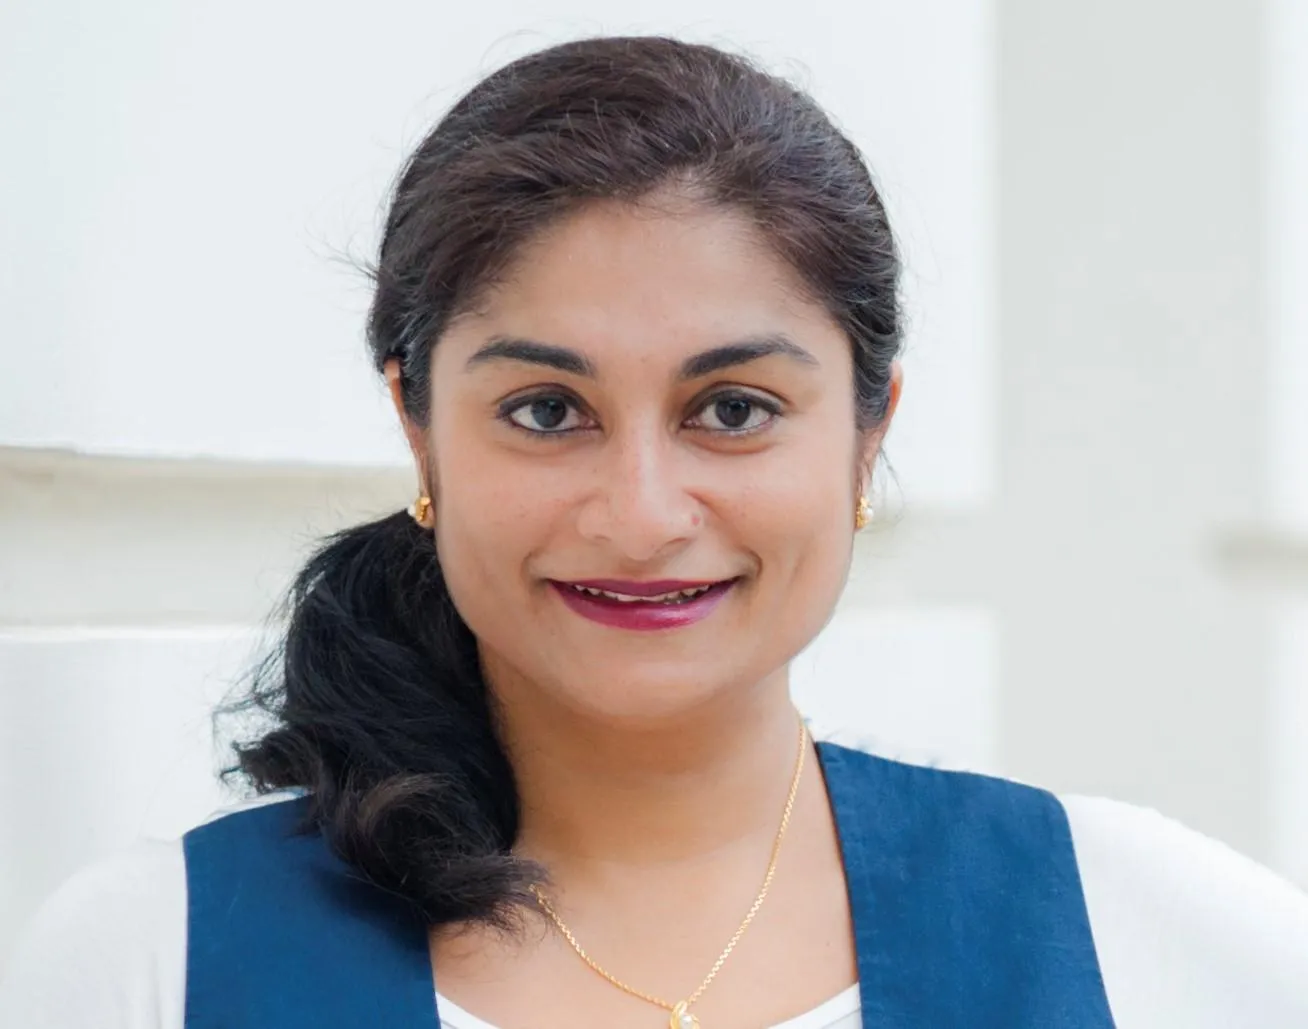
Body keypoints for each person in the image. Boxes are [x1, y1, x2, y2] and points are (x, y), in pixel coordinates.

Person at [3, 34, 1307, 1029]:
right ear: (419, 428)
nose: (640, 514)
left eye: (733, 409)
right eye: (546, 410)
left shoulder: (1143, 934)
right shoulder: (154, 961)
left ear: (867, 433)